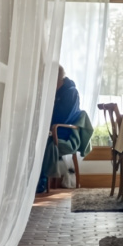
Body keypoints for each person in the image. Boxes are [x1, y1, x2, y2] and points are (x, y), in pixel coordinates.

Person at [37, 65, 82, 195]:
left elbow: (62, 117)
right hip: (51, 130)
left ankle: (41, 180)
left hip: (64, 133)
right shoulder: (54, 91)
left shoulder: (71, 92)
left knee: (44, 144)